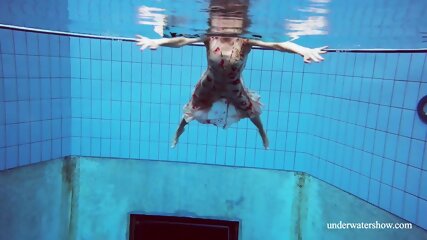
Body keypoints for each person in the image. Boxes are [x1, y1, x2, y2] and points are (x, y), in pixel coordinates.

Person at [136, 3, 327, 149]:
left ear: (241, 22)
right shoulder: (210, 38)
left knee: (251, 110)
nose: (227, 23)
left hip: (234, 86)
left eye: (233, 20)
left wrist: (303, 50)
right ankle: (178, 132)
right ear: (214, 19)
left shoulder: (245, 41)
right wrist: (158, 42)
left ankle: (262, 133)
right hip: (209, 83)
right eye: (221, 18)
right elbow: (182, 40)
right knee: (193, 109)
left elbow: (279, 45)